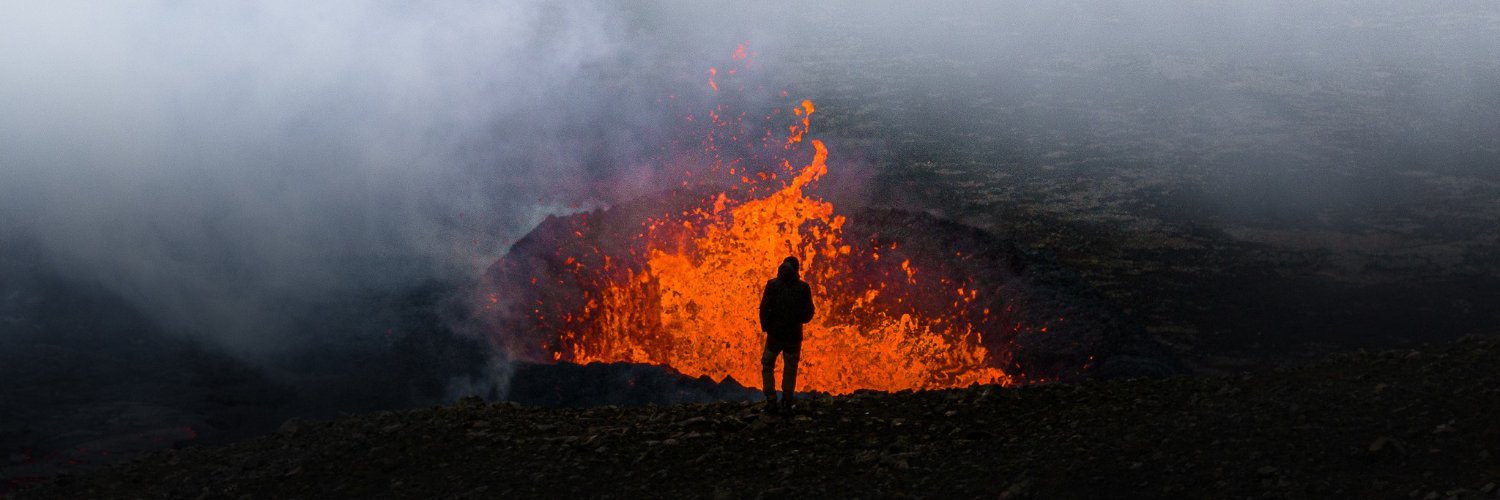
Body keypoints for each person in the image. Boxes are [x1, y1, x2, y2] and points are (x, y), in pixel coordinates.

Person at [758, 256, 814, 414]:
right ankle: (787, 401)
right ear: (796, 270)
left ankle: (770, 399)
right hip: (793, 337)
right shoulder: (803, 288)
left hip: (774, 336)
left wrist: (767, 328)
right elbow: (809, 313)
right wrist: (797, 320)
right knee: (790, 368)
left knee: (768, 364)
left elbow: (764, 309)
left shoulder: (772, 285)